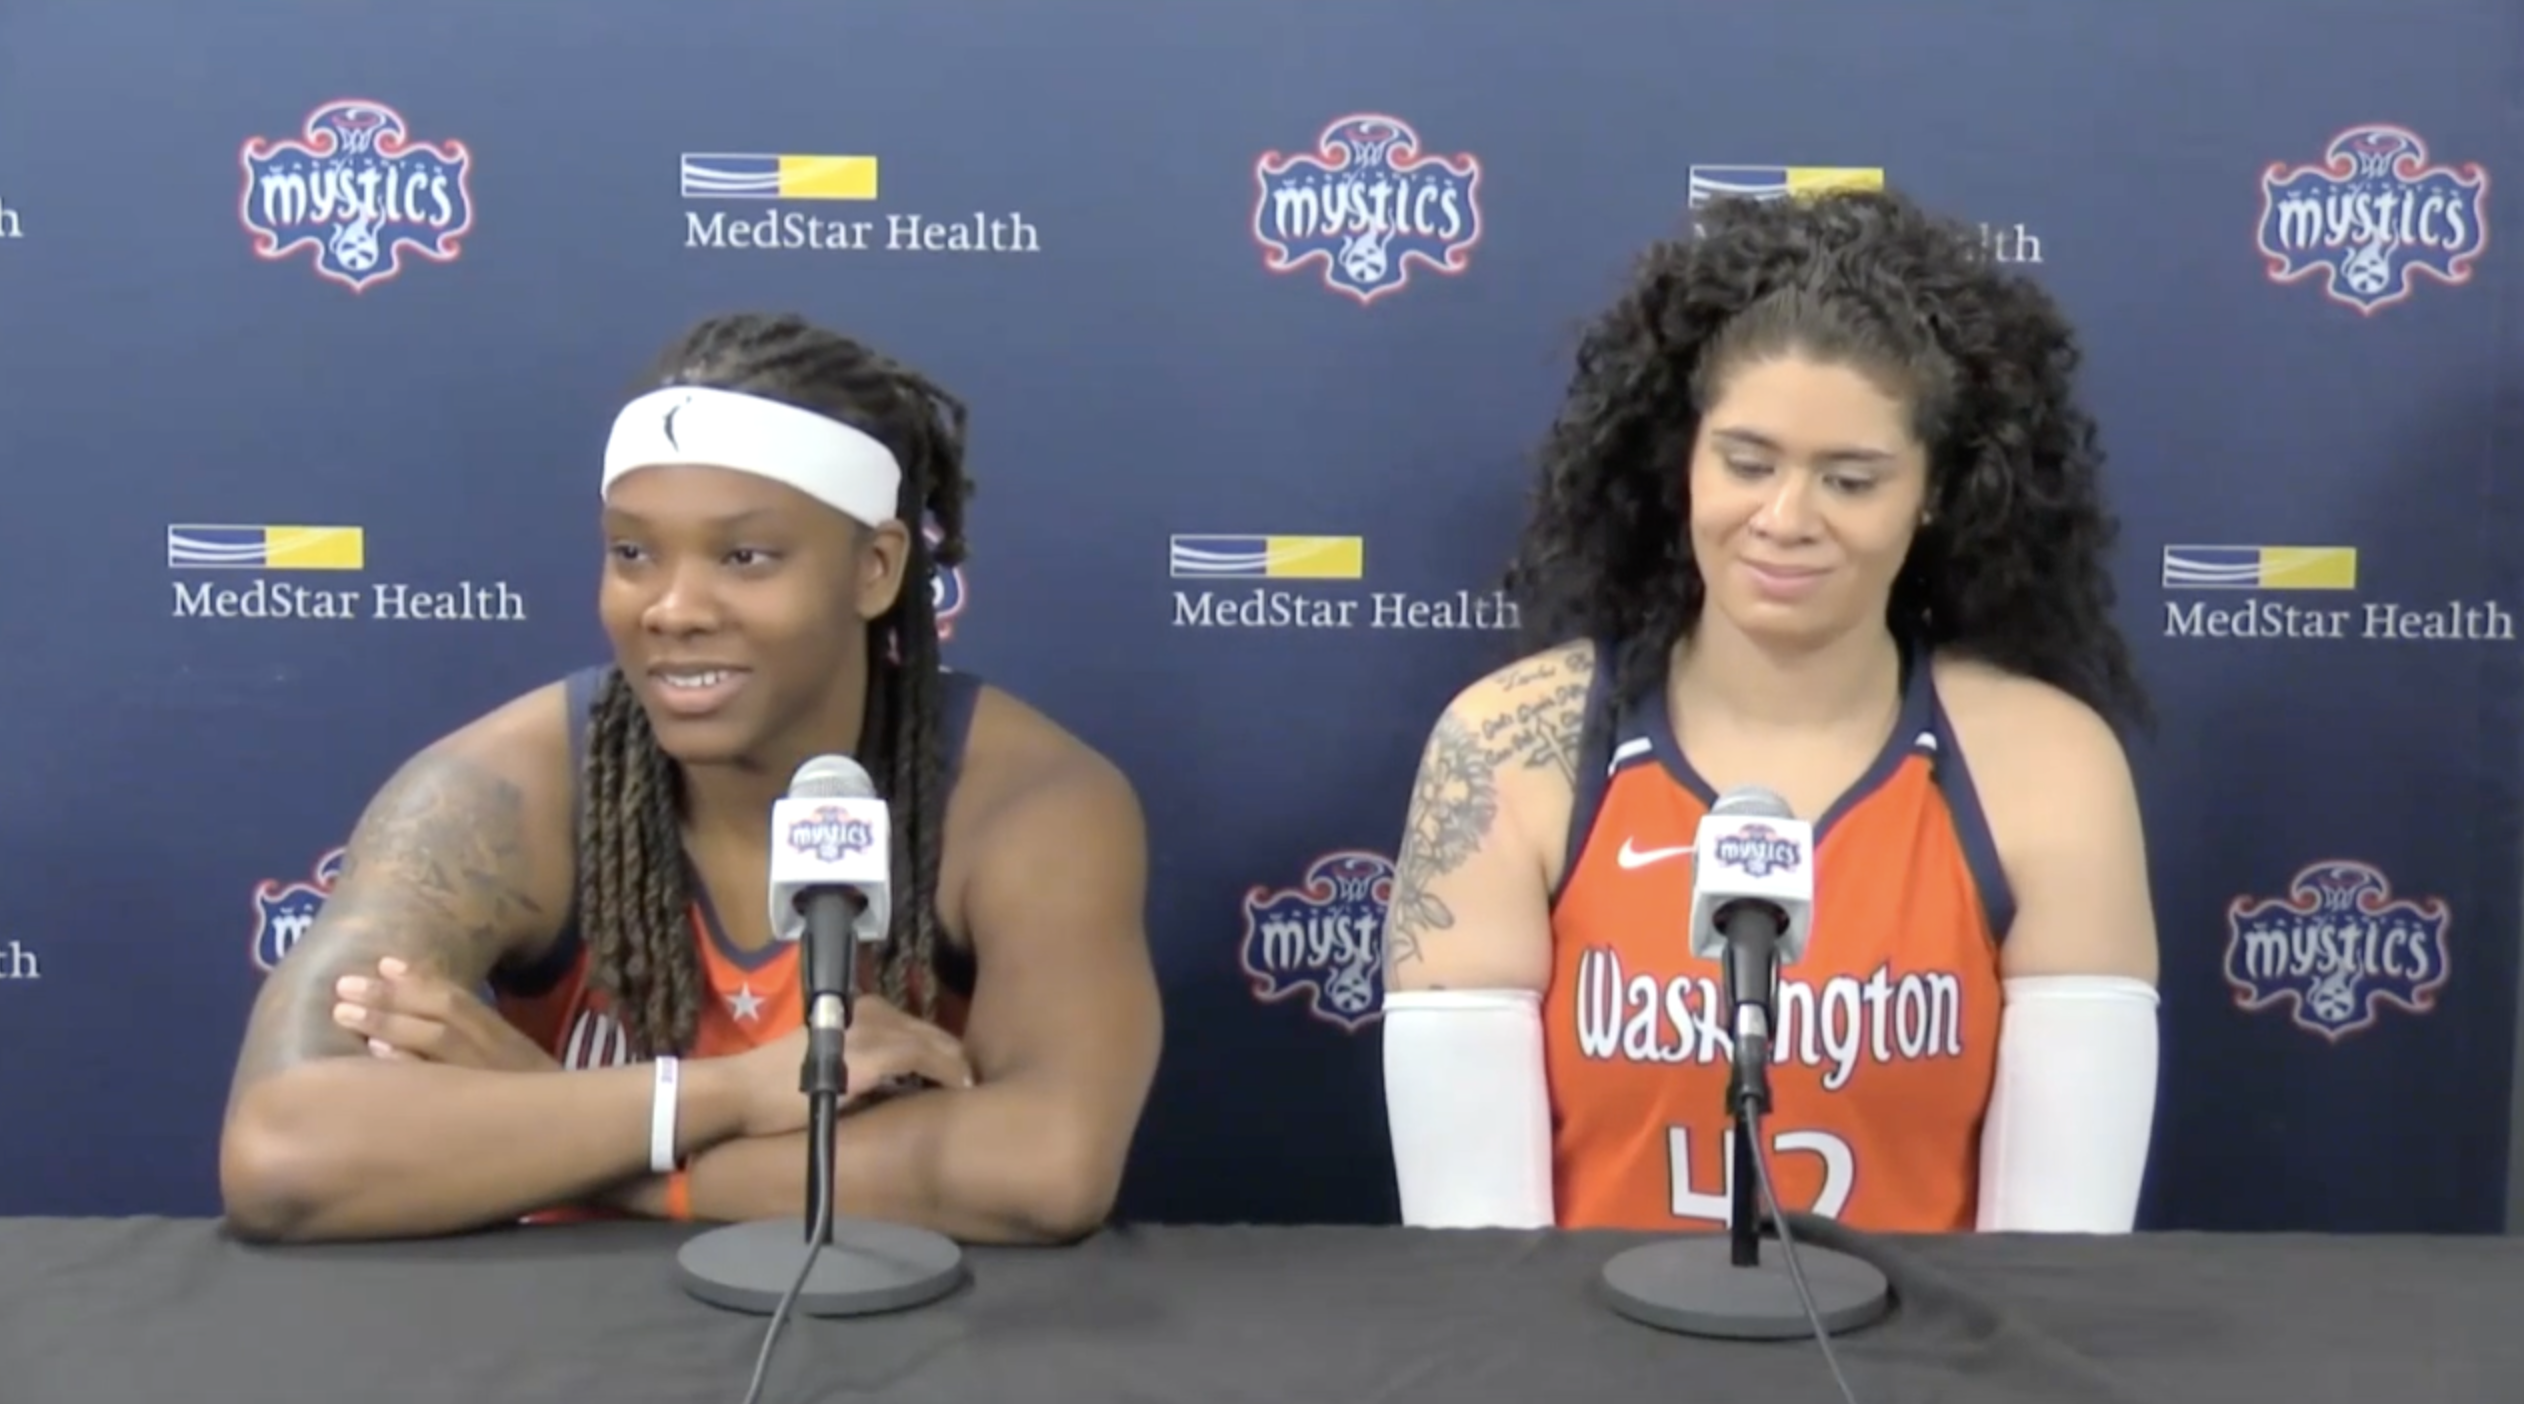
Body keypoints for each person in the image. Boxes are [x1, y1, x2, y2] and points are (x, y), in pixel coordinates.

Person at [218, 312, 1162, 1245]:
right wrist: (731, 1094)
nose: (672, 608)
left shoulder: (1025, 801)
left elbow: (1045, 1167)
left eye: (745, 557)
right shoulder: (502, 791)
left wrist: (573, 1128)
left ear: (873, 569)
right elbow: (283, 1153)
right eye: (633, 553)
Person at [1378, 189, 2160, 1235]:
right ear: (1682, 462)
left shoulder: (2051, 767)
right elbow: (1472, 1251)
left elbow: (2060, 1261)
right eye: (1746, 464)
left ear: (1934, 493)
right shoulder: (1511, 752)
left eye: (1850, 479)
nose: (1785, 520)